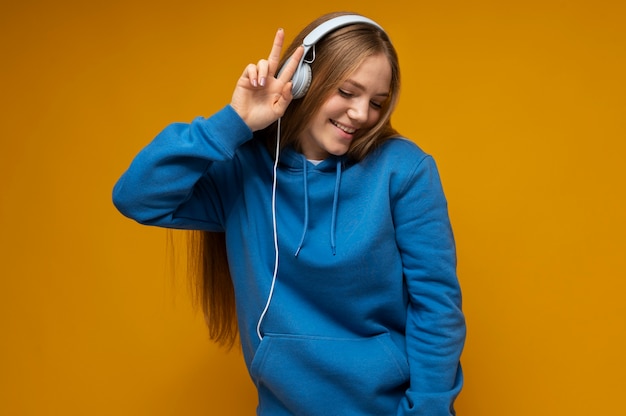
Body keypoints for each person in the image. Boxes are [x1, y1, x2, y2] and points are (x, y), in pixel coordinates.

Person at [113, 11, 466, 416]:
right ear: (301, 83)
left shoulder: (403, 170)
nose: (361, 114)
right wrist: (235, 123)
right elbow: (136, 196)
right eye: (348, 92)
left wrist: (428, 411)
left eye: (376, 102)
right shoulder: (243, 172)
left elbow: (437, 306)